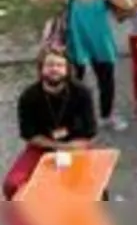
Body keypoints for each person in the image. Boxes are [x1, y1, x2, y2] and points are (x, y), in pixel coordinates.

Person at [30, 0, 134, 131]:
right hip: (76, 45)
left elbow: (128, 4)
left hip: (101, 45)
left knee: (106, 83)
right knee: (73, 84)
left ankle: (107, 116)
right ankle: (74, 117)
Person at [5, 46, 97, 199]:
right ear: (41, 69)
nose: (54, 69)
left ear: (67, 69)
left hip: (75, 146)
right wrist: (58, 147)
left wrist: (71, 148)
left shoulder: (82, 93)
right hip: (42, 147)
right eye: (49, 65)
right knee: (12, 185)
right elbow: (28, 134)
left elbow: (90, 131)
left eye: (59, 65)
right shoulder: (29, 96)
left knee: (95, 188)